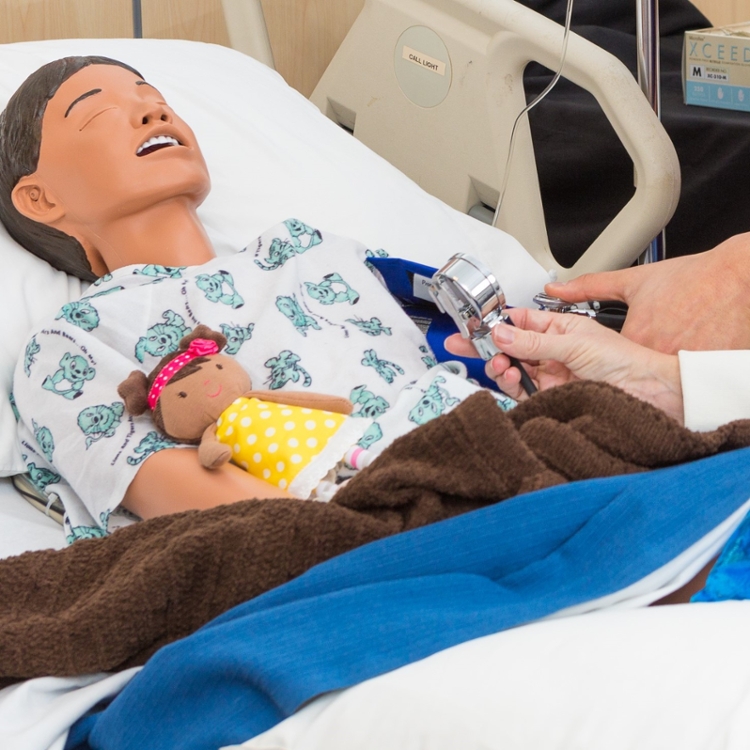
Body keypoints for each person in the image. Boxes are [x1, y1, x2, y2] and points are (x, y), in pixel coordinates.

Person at [0, 56, 491, 541]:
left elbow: (486, 350)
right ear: (40, 199)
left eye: (156, 100)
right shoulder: (73, 341)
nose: (156, 114)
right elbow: (217, 509)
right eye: (98, 113)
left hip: (503, 439)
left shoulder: (308, 249)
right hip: (380, 523)